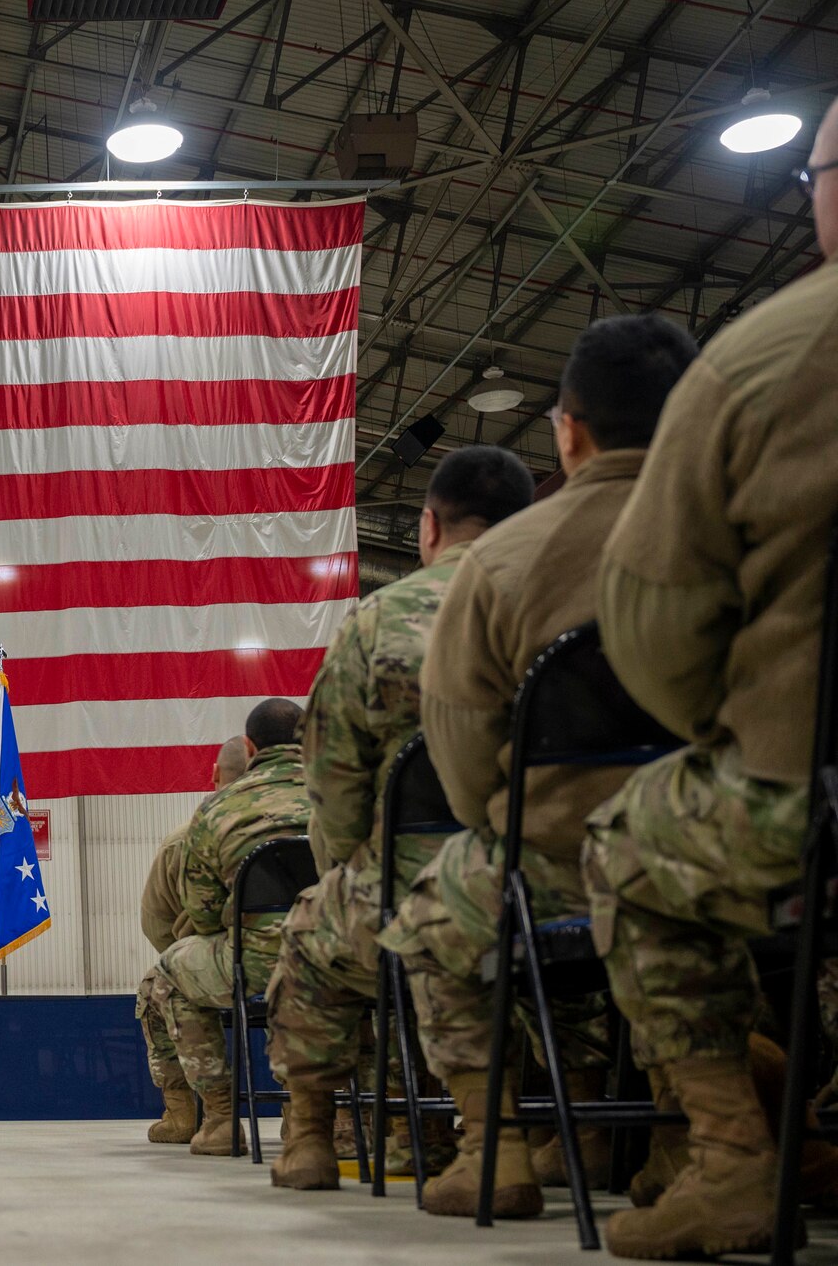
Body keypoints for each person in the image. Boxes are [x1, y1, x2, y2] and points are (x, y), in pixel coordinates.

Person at [578, 97, 838, 1260]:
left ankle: (729, 1153)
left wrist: (723, 733)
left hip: (809, 801)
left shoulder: (766, 358)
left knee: (621, 844)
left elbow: (657, 638)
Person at [378, 313, 699, 1219]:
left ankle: (495, 1151)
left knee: (436, 906)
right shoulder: (749, 522)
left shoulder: (502, 566)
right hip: (746, 842)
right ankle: (697, 1140)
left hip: (558, 864)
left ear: (570, 428)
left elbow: (467, 762)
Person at [265, 446, 536, 1190]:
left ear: (426, 529)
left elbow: (336, 793)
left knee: (309, 936)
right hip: (579, 870)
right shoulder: (573, 599)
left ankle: (315, 1138)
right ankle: (598, 1132)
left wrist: (360, 865)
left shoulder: (378, 622)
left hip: (425, 878)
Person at [159, 697, 311, 1155]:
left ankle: (222, 1119)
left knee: (170, 974)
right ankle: (339, 1121)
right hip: (344, 955)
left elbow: (202, 915)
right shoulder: (345, 793)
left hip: (259, 962)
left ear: (249, 747)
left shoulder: (218, 809)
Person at [136, 738, 248, 1145]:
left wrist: (195, 951)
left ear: (216, 776)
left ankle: (199, 1116)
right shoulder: (312, 821)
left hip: (225, 968)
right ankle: (326, 1120)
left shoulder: (186, 839)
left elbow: (157, 926)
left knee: (158, 985)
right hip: (311, 964)